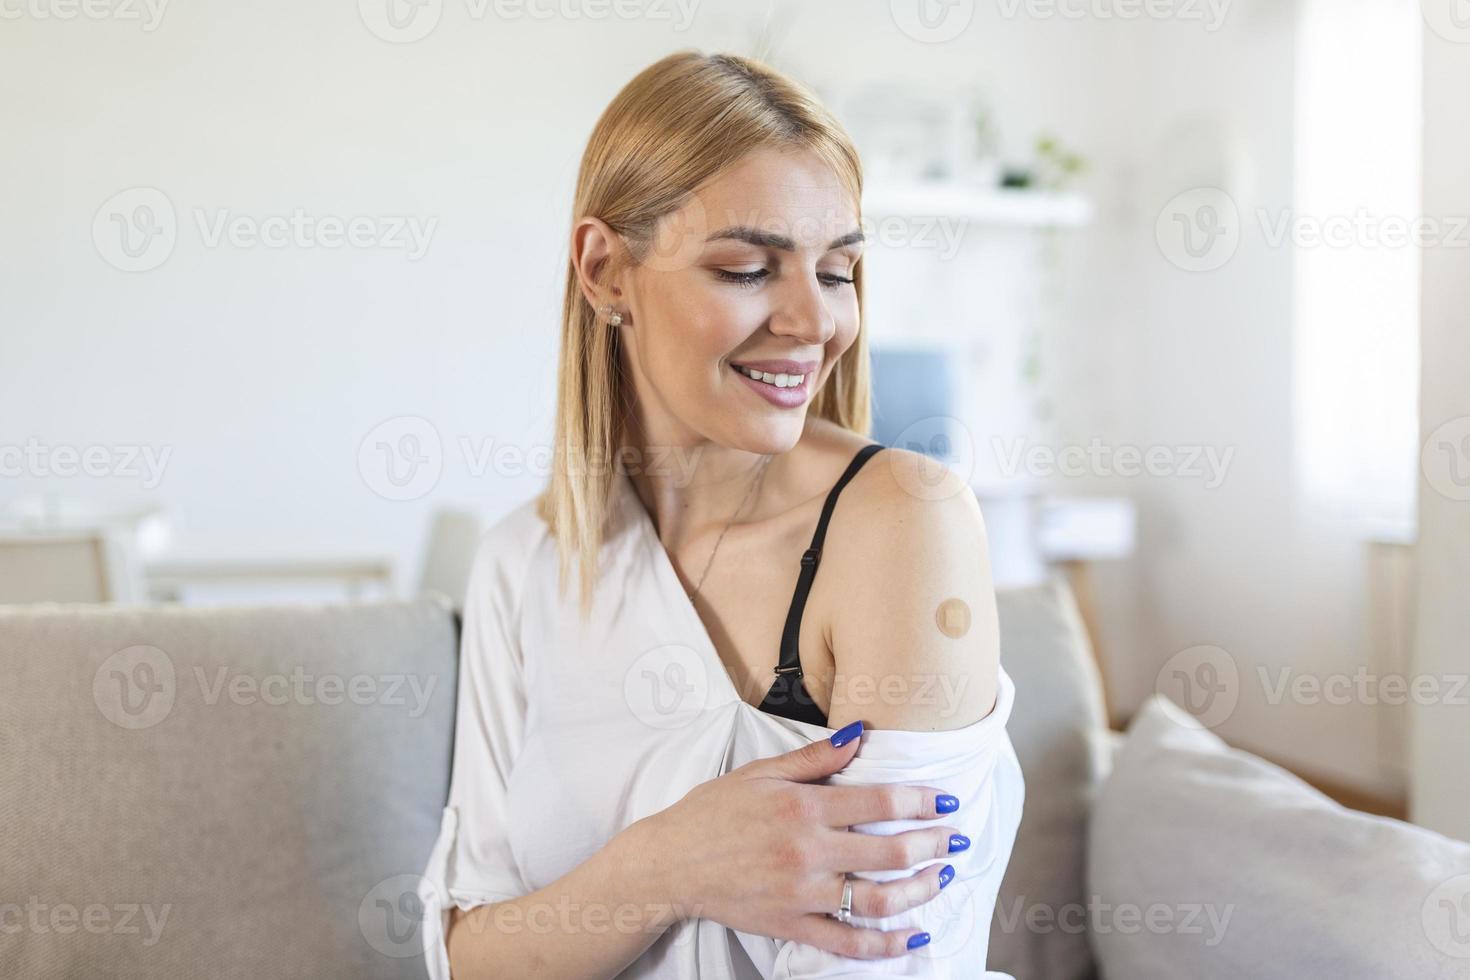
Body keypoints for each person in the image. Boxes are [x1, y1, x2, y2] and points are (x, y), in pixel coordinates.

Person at [416, 50, 1024, 979]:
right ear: (605, 270)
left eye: (837, 272)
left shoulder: (901, 524)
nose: (813, 321)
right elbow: (469, 955)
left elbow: (894, 958)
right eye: (747, 269)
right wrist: (668, 864)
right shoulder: (524, 561)